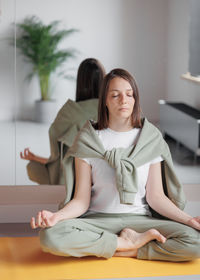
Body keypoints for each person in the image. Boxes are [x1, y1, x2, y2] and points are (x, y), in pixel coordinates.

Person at [31, 68, 200, 261]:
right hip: (97, 220)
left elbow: (156, 197)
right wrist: (57, 217)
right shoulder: (88, 139)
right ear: (104, 100)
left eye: (129, 94)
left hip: (140, 221)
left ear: (136, 98)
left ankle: (134, 248)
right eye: (115, 95)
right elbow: (81, 200)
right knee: (50, 236)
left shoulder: (150, 138)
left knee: (195, 241)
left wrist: (189, 220)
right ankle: (124, 243)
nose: (124, 100)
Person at [20, 58, 106, 184]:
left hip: (72, 181)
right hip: (104, 179)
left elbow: (58, 162)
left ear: (80, 82)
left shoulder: (68, 114)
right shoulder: (112, 111)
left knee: (33, 168)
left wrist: (34, 159)